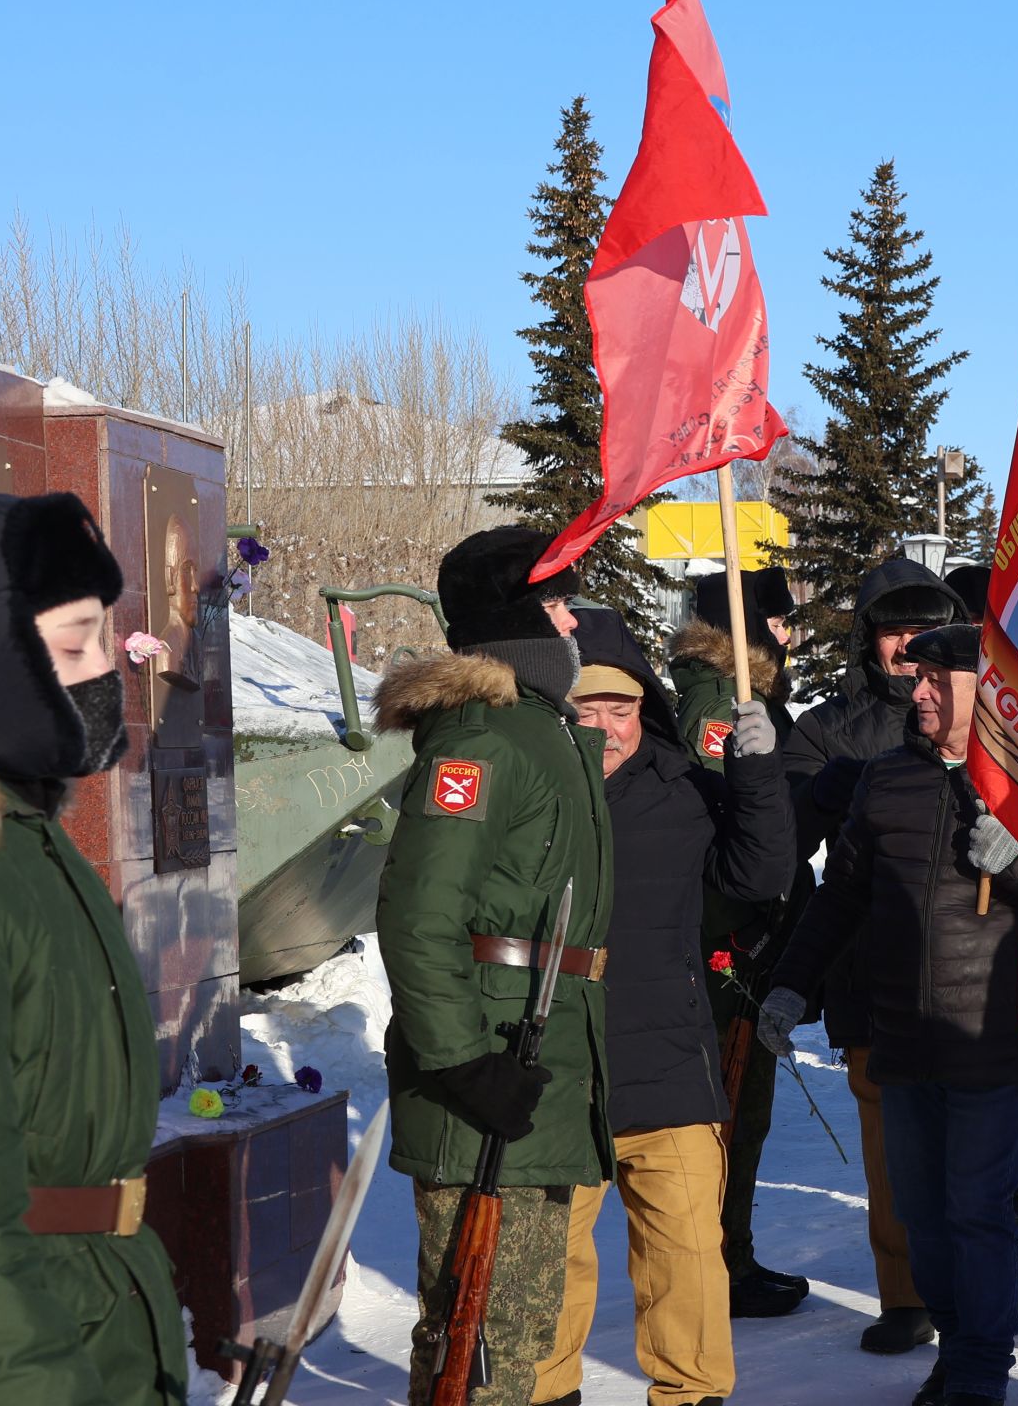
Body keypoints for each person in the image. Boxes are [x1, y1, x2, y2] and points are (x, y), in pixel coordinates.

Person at [759, 624, 1018, 1406]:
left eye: (935, 680)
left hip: (991, 1041)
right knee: (922, 1217)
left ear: (984, 690)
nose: (916, 691)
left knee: (977, 1213)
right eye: (915, 677)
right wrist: (792, 985)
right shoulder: (885, 781)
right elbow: (840, 899)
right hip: (902, 1039)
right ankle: (957, 1348)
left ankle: (983, 1371)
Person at [531, 606, 793, 1406]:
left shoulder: (683, 791)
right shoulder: (533, 794)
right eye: (589, 710)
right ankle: (548, 1395)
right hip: (558, 1071)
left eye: (623, 709)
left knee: (686, 1255)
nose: (608, 726)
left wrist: (756, 778)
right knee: (555, 1265)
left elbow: (760, 877)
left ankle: (692, 1394)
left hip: (670, 1061)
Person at [374, 525, 612, 1406]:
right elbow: (417, 917)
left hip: (537, 1056)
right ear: (516, 625)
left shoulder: (538, 732)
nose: (573, 624)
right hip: (488, 1069)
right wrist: (466, 1061)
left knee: (514, 1330)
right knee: (472, 1343)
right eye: (556, 604)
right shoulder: (483, 741)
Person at [0, 491, 186, 1405]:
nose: (109, 667)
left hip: (101, 1310)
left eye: (109, 637)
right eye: (74, 645)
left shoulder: (33, 841)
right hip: (42, 1338)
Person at [779, 557, 965, 1354]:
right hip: (875, 977)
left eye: (925, 630)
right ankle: (906, 1292)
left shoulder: (988, 715)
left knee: (973, 1147)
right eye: (895, 630)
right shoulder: (826, 728)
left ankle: (978, 1285)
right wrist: (798, 787)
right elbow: (783, 845)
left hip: (977, 978)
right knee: (893, 1155)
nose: (909, 647)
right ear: (869, 638)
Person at [669, 565, 815, 1317]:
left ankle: (730, 1253)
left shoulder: (747, 701)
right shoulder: (718, 709)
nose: (792, 637)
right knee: (729, 1111)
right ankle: (718, 1264)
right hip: (727, 949)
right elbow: (723, 836)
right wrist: (751, 930)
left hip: (742, 943)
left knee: (741, 1110)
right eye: (780, 623)